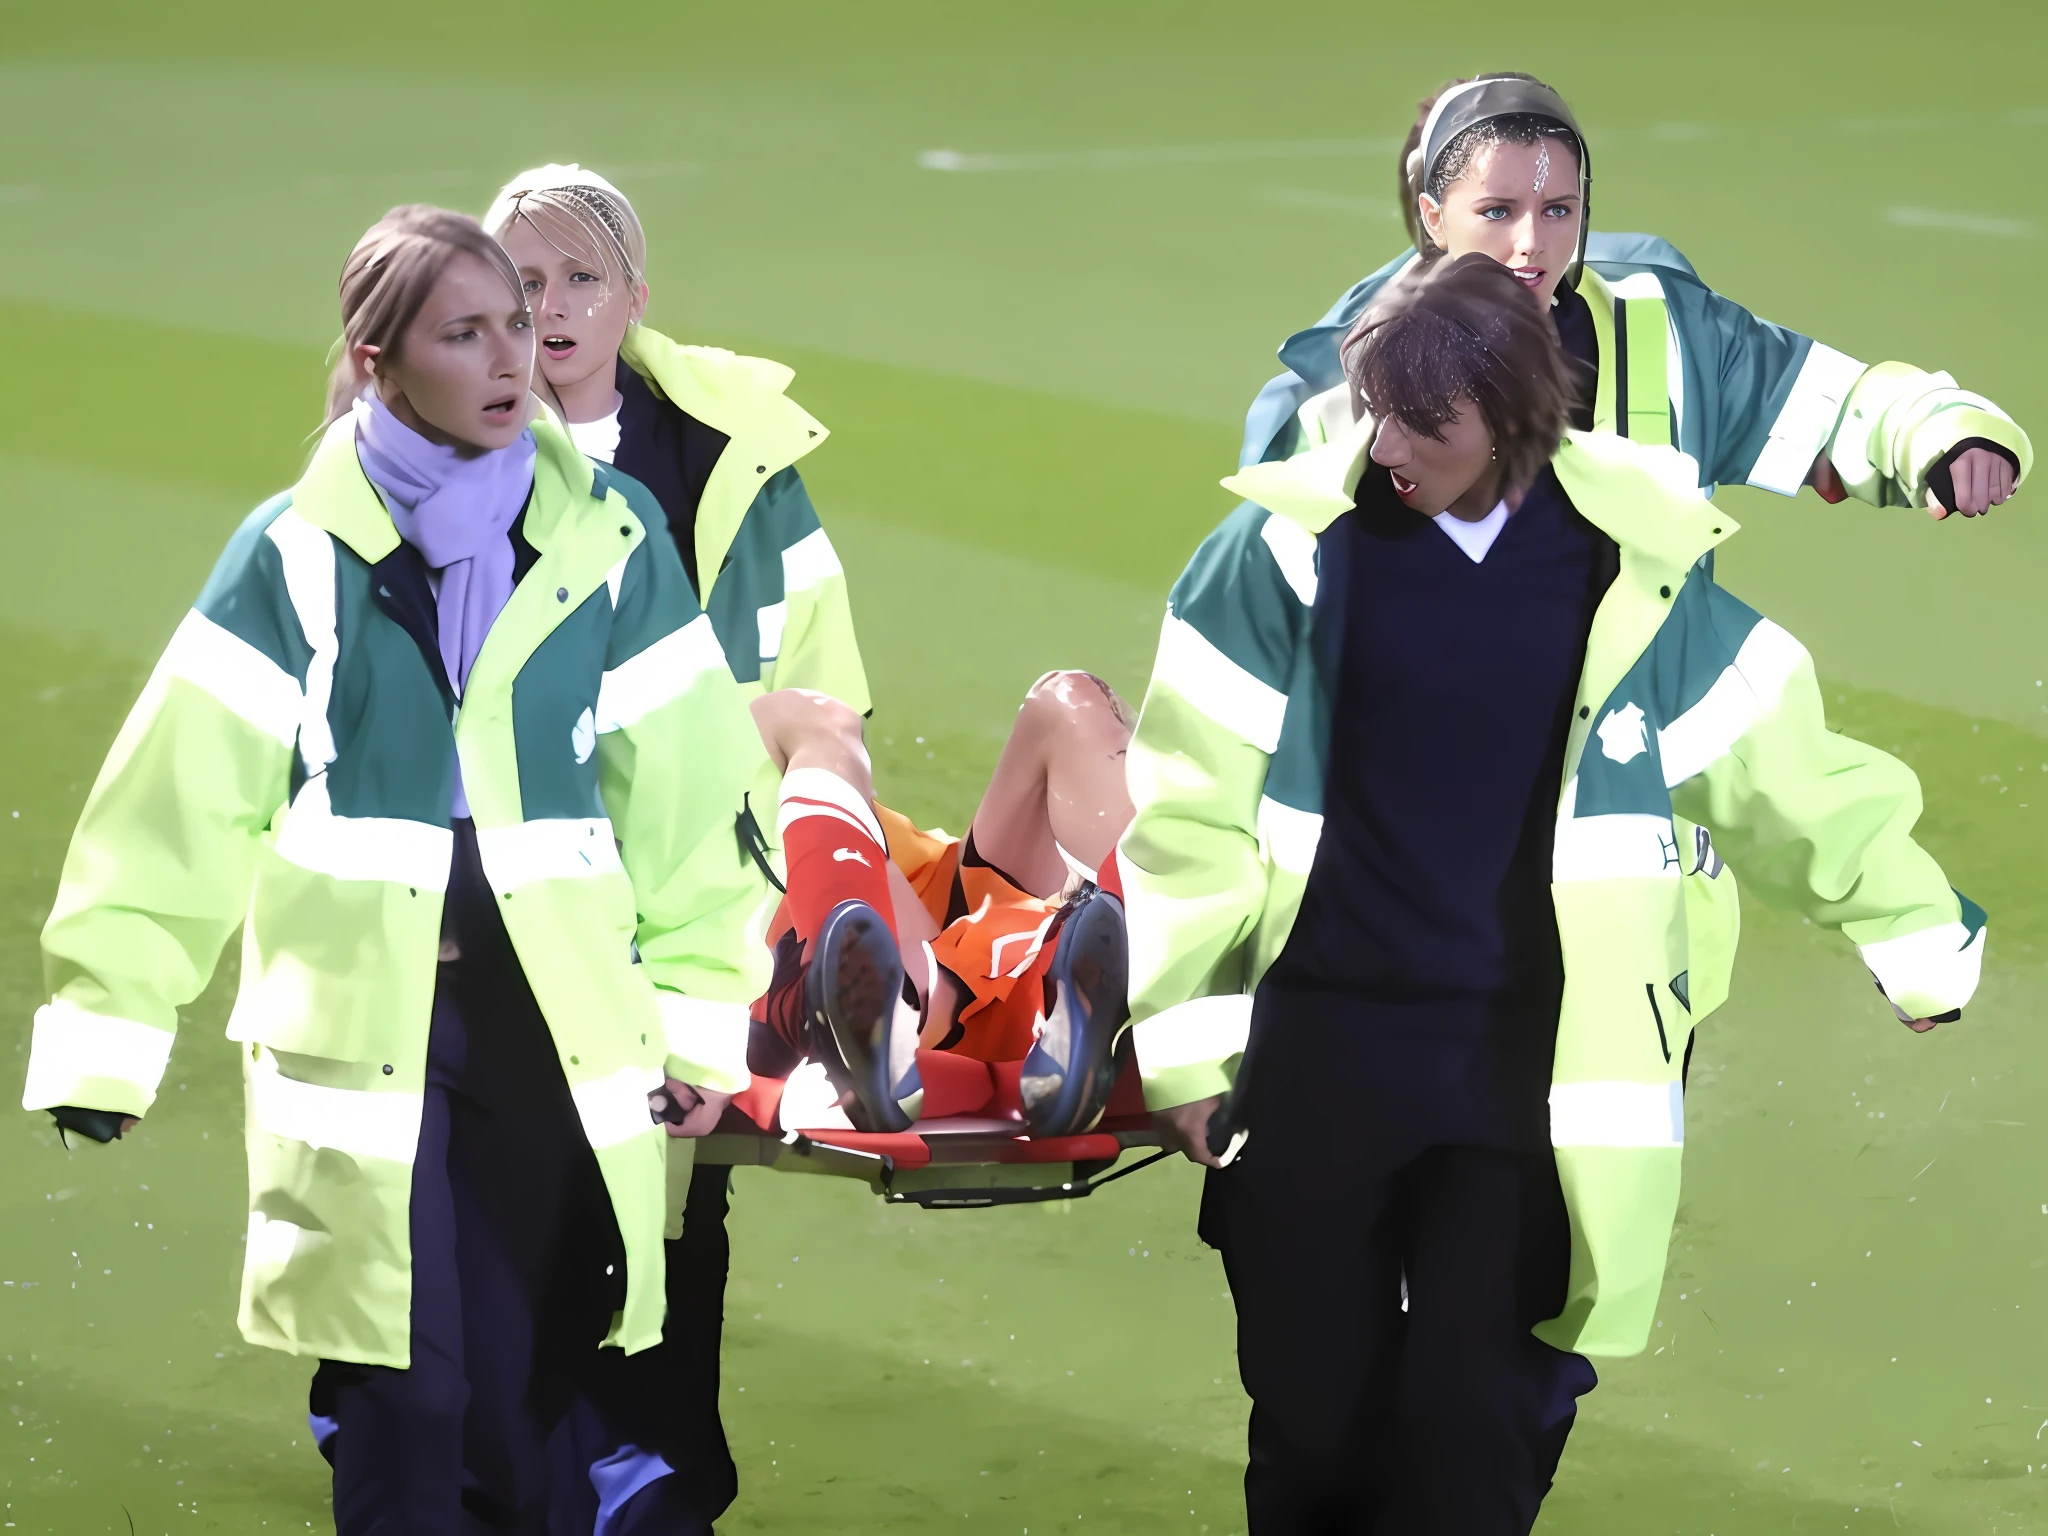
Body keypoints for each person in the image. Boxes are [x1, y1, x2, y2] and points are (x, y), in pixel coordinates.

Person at [1119, 253, 1986, 1532]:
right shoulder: (1276, 552)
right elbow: (1184, 805)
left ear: (1516, 420)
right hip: (1314, 1065)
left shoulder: (1631, 568)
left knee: (1472, 1429)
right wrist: (1189, 1044)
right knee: (1311, 1425)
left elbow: (1779, 766)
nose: (1389, 445)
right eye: (1375, 408)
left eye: (1427, 421)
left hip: (1520, 1071)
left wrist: (1912, 935)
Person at [20, 204, 773, 1533]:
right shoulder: (295, 552)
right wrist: (106, 1031)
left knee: (521, 1397)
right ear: (378, 362)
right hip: (370, 1035)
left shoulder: (612, 539)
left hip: (556, 1029)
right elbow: (174, 801)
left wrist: (710, 1020)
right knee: (406, 1397)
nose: (513, 361)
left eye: (519, 329)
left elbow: (694, 797)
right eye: (465, 333)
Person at [481, 167, 1134, 1534]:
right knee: (594, 1196)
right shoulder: (465, 465)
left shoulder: (732, 461)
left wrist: (825, 816)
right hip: (654, 851)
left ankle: (1120, 983)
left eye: (579, 281)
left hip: (793, 849)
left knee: (1069, 710)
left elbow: (830, 697)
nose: (548, 311)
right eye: (522, 284)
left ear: (634, 299)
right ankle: (942, 1008)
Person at [1244, 73, 2032, 514]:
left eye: (1559, 211)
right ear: (1431, 219)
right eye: (1496, 212)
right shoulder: (1344, 382)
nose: (1531, 243)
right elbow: (1277, 600)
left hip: (1634, 751)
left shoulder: (1672, 330)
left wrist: (1948, 438)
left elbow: (1843, 404)